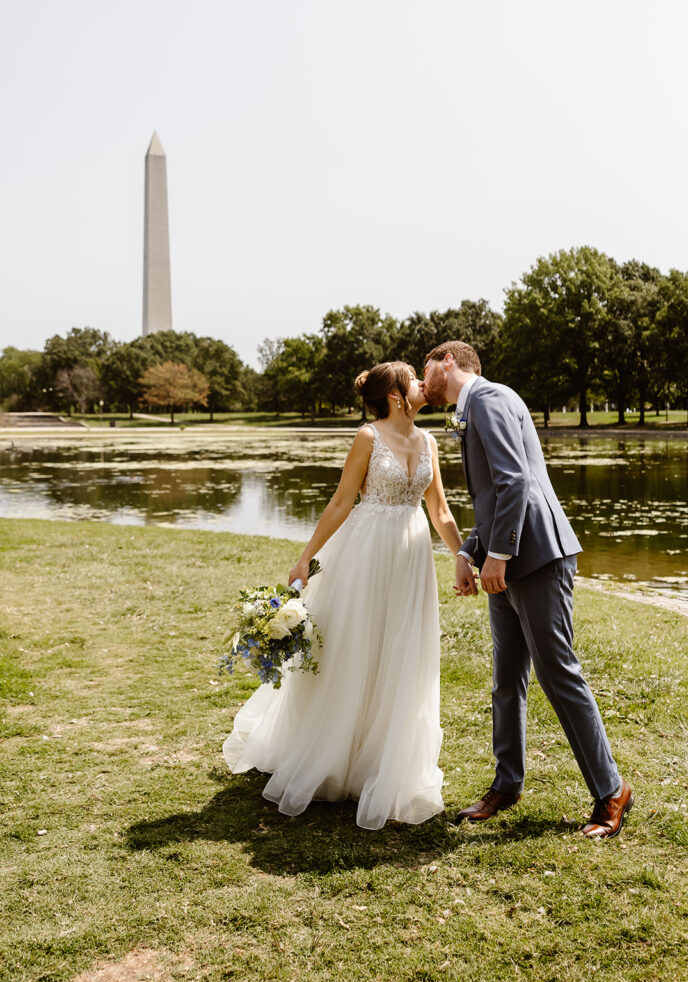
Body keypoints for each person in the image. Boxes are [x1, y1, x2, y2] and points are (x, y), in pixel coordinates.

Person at [223, 361, 464, 830]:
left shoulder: (430, 441)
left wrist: (462, 555)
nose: (421, 384)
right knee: (356, 649)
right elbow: (340, 501)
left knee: (401, 654)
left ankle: (381, 760)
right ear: (395, 395)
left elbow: (439, 508)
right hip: (366, 554)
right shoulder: (368, 438)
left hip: (411, 560)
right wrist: (305, 559)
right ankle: (334, 757)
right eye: (413, 378)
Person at [421, 341, 633, 838]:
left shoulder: (489, 398)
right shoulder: (472, 407)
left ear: (448, 362)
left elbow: (516, 481)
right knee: (506, 678)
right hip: (510, 560)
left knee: (558, 674)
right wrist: (468, 552)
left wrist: (499, 554)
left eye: (425, 367)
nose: (422, 377)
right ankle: (508, 781)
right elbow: (494, 497)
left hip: (535, 557)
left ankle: (612, 791)